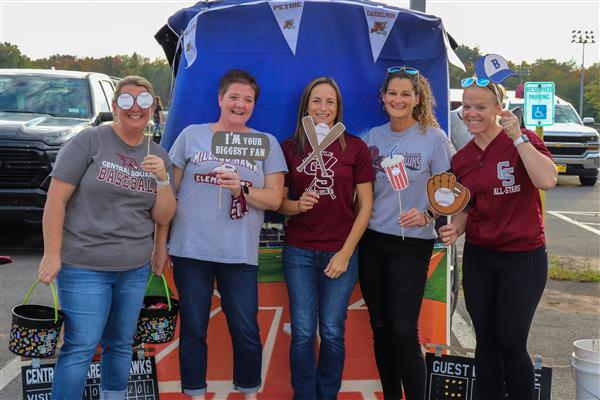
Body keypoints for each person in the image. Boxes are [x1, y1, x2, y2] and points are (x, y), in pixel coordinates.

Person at [37, 76, 177, 399]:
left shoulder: (159, 156)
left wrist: (163, 180)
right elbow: (56, 200)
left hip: (133, 268)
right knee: (81, 346)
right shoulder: (89, 141)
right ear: (115, 107)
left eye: (143, 101)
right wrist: (51, 253)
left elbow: (163, 216)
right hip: (83, 265)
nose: (135, 108)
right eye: (127, 100)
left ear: (153, 109)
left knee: (121, 344)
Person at [153, 69, 287, 399]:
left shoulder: (266, 143)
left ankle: (250, 391)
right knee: (194, 328)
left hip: (238, 252)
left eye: (248, 99)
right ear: (220, 99)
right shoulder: (192, 135)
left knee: (245, 328)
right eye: (234, 97)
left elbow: (275, 199)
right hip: (191, 249)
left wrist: (242, 188)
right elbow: (169, 193)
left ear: (254, 105)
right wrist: (161, 243)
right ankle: (195, 393)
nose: (240, 105)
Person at [439, 77, 557, 400]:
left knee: (510, 339)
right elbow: (466, 208)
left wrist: (518, 139)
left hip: (523, 257)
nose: (471, 113)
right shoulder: (461, 159)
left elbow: (547, 179)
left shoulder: (523, 140)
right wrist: (456, 228)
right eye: (466, 107)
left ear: (498, 109)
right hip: (480, 256)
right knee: (486, 342)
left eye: (480, 107)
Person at [359, 66, 453, 400]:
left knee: (403, 330)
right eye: (392, 93)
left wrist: (427, 214)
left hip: (412, 245)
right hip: (373, 241)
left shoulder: (434, 138)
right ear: (383, 97)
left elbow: (449, 190)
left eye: (405, 94)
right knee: (381, 328)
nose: (398, 100)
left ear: (417, 99)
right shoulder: (372, 137)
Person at [277, 77, 374, 400]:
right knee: (303, 332)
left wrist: (346, 252)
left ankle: (327, 394)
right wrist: (296, 205)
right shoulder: (289, 148)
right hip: (299, 251)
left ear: (338, 107)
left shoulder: (355, 147)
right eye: (316, 100)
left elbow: (366, 207)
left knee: (332, 331)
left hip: (339, 250)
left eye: (330, 101)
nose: (323, 107)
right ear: (306, 106)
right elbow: (279, 203)